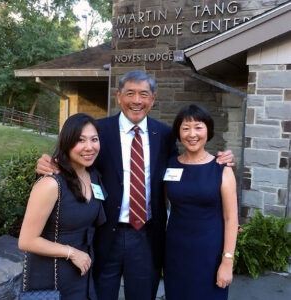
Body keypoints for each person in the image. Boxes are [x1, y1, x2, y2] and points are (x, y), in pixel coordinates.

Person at [35, 70, 234, 300]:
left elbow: (188, 166)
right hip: (105, 234)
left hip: (147, 237)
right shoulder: (98, 131)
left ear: (153, 98)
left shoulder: (166, 134)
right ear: (119, 96)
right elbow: (72, 158)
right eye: (130, 93)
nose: (137, 100)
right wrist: (47, 163)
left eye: (143, 94)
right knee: (100, 295)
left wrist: (221, 160)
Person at [18, 113, 106, 300]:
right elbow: (26, 240)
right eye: (80, 140)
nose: (89, 147)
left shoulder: (94, 177)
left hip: (82, 274)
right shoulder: (51, 183)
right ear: (66, 142)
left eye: (94, 139)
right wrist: (72, 253)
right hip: (52, 278)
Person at [164, 104, 239, 300]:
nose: (192, 134)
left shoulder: (222, 168)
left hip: (210, 254)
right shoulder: (170, 164)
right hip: (176, 252)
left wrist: (227, 261)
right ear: (178, 133)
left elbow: (231, 218)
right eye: (185, 128)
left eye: (198, 127)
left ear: (208, 130)